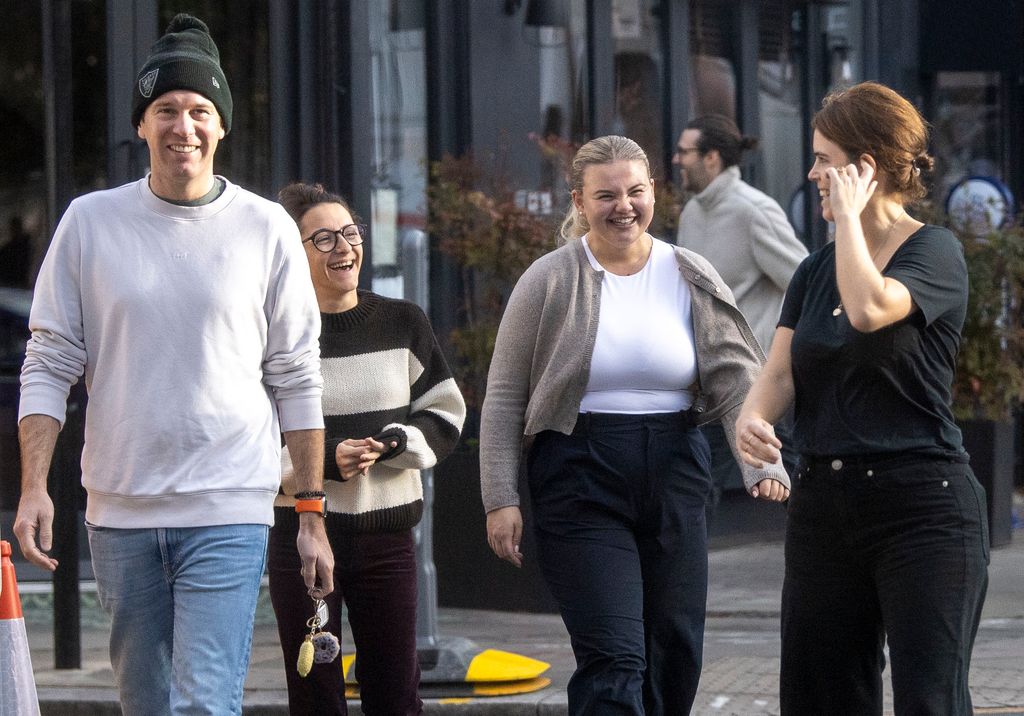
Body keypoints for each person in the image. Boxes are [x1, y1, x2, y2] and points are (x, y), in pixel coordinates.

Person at [14, 15, 333, 715]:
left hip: (229, 504)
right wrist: (33, 487)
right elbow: (49, 360)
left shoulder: (265, 227)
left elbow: (297, 375)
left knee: (205, 703)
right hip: (120, 509)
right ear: (143, 126)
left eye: (198, 111)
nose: (182, 126)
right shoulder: (89, 223)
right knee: (146, 703)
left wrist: (310, 511)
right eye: (166, 110)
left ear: (220, 128)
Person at [480, 135, 789, 716]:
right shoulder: (547, 280)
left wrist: (762, 462)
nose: (623, 205)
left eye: (635, 191)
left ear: (653, 193)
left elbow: (737, 379)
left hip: (675, 468)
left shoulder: (688, 272)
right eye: (606, 195)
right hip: (579, 472)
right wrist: (500, 497)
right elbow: (503, 397)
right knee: (615, 657)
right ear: (578, 201)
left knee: (674, 647)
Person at [735, 82, 989, 715]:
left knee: (929, 700)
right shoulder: (814, 271)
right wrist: (753, 417)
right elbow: (780, 372)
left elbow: (872, 308)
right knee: (820, 698)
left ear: (864, 168)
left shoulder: (935, 253)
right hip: (824, 507)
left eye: (824, 159)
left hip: (921, 508)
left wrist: (850, 218)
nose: (813, 173)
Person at [269, 182, 466, 715]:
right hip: (301, 539)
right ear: (293, 251)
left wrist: (397, 442)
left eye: (350, 234)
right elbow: (253, 439)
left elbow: (446, 410)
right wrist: (324, 461)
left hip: (387, 539)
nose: (345, 248)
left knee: (396, 692)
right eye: (324, 239)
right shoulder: (274, 333)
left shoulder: (403, 322)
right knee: (315, 694)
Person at [674, 115, 806, 506]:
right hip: (704, 379)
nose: (677, 159)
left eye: (684, 152)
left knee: (791, 485)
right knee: (698, 488)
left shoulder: (754, 211)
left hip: (758, 380)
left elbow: (806, 282)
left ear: (711, 157)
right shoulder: (691, 214)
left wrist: (780, 353)